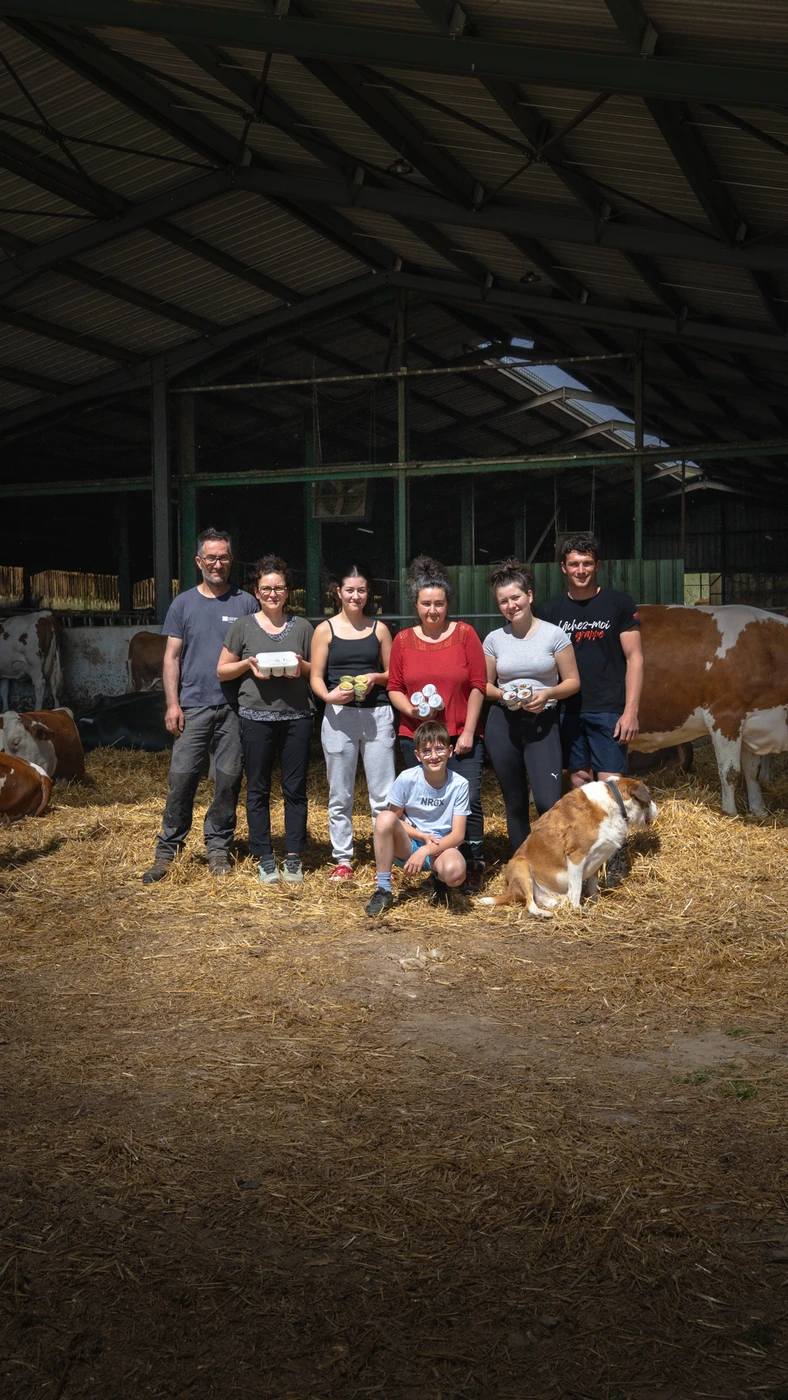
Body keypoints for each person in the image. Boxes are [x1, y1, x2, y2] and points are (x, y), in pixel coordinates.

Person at [142, 527, 258, 885]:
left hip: (234, 707)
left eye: (223, 557)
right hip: (193, 706)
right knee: (181, 778)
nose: (217, 563)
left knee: (227, 778)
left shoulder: (246, 603)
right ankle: (167, 850)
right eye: (211, 557)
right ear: (198, 561)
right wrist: (172, 704)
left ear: (231, 560)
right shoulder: (183, 603)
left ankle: (218, 847)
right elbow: (171, 657)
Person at [538, 531, 644, 884]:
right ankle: (589, 853)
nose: (580, 570)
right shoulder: (551, 611)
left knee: (612, 783)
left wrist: (630, 711)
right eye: (573, 564)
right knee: (581, 780)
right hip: (567, 710)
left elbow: (635, 658)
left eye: (587, 563)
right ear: (563, 568)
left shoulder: (618, 603)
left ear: (597, 565)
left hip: (608, 708)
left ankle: (617, 856)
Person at [386, 556, 487, 889]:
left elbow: (478, 684)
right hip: (419, 738)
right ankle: (431, 863)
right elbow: (395, 688)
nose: (433, 610)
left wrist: (470, 731)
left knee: (467, 798)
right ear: (415, 604)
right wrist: (414, 714)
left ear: (448, 604)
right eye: (426, 603)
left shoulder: (464, 634)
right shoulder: (402, 640)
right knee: (424, 802)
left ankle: (471, 861)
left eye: (439, 604)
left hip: (459, 735)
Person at [217, 555, 314, 885]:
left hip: (297, 716)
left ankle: (293, 856)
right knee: (257, 787)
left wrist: (301, 666)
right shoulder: (243, 626)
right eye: (266, 588)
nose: (273, 593)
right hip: (256, 717)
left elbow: (319, 672)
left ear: (288, 592)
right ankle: (265, 856)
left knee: (294, 788)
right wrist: (248, 664)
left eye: (280, 588)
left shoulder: (302, 627)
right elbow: (222, 669)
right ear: (256, 592)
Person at [483, 558, 580, 851]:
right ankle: (523, 866)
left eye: (516, 597)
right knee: (513, 801)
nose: (511, 605)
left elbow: (573, 682)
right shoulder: (494, 639)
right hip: (504, 722)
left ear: (529, 596)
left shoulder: (553, 635)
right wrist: (504, 696)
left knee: (547, 801)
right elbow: (486, 686)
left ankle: (556, 860)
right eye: (503, 601)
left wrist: (547, 695)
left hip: (542, 721)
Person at [309, 564, 395, 881]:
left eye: (361, 590)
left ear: (367, 593)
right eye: (350, 590)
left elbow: (392, 675)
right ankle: (343, 860)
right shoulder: (325, 631)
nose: (355, 595)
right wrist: (329, 698)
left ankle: (384, 862)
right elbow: (316, 678)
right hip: (338, 717)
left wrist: (375, 677)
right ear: (339, 593)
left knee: (383, 796)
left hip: (377, 713)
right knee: (340, 794)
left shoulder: (380, 630)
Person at [365, 719, 470, 918]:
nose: (433, 756)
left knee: (455, 874)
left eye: (439, 749)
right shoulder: (407, 778)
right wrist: (421, 837)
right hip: (409, 843)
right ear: (418, 755)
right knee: (384, 817)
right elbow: (393, 819)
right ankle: (383, 889)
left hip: (442, 846)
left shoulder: (460, 784)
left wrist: (427, 850)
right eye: (426, 751)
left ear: (449, 751)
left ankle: (438, 879)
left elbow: (458, 835)